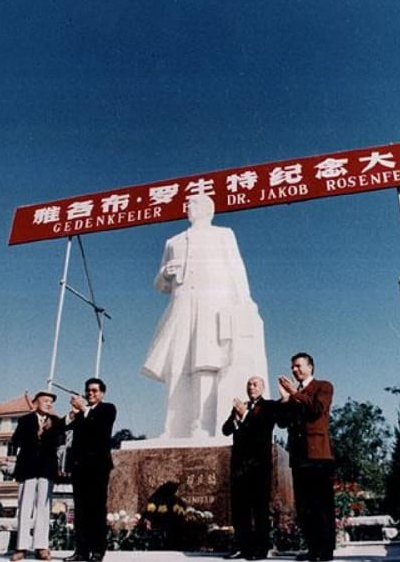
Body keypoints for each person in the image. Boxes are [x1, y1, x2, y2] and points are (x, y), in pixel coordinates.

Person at [142, 193, 268, 438]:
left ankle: (201, 425)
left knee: (205, 365)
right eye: (188, 204)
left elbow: (236, 268)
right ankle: (171, 429)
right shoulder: (173, 242)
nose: (188, 207)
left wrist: (245, 300)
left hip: (212, 305)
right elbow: (159, 283)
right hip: (181, 306)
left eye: (193, 204)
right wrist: (167, 273)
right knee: (177, 366)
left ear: (208, 210)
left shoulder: (223, 234)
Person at [277, 352, 336, 562]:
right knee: (305, 507)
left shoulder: (323, 386)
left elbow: (317, 410)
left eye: (298, 366)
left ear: (310, 367)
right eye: (292, 367)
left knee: (322, 505)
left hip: (318, 454)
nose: (295, 370)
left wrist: (295, 393)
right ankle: (313, 549)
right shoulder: (294, 395)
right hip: (299, 455)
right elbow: (282, 422)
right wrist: (285, 401)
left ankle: (326, 551)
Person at [221, 376, 278, 561]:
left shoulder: (268, 406)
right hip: (240, 466)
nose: (251, 388)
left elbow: (263, 428)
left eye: (255, 385)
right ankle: (243, 547)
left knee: (259, 508)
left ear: (262, 388)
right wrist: (237, 418)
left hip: (259, 466)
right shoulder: (240, 406)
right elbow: (226, 429)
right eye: (249, 385)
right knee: (240, 509)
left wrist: (245, 415)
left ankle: (261, 548)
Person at [64, 378, 117, 562]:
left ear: (102, 393)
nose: (90, 394)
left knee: (96, 509)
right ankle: (81, 551)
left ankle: (97, 551)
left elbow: (101, 429)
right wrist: (71, 414)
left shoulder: (108, 409)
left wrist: (84, 409)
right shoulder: (80, 414)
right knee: (80, 510)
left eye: (94, 391)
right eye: (88, 391)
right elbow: (60, 430)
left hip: (98, 468)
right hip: (80, 469)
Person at [9, 390, 64, 561]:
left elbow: (61, 442)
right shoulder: (25, 420)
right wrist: (37, 433)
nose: (49, 404)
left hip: (46, 469)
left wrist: (50, 431)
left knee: (44, 507)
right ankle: (21, 547)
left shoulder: (56, 421)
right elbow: (16, 441)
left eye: (51, 402)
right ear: (36, 403)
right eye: (46, 401)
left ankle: (41, 546)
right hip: (28, 468)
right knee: (25, 506)